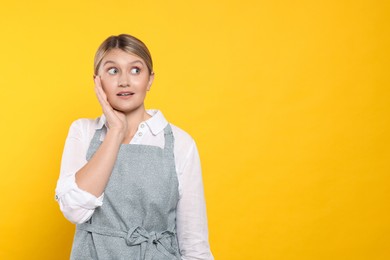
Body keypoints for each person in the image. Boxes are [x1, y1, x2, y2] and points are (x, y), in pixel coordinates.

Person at [55, 34, 213, 260]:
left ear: (150, 80)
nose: (124, 81)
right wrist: (116, 131)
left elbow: (194, 244)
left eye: (136, 70)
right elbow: (75, 210)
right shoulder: (83, 131)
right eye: (112, 70)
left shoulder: (180, 143)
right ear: (97, 81)